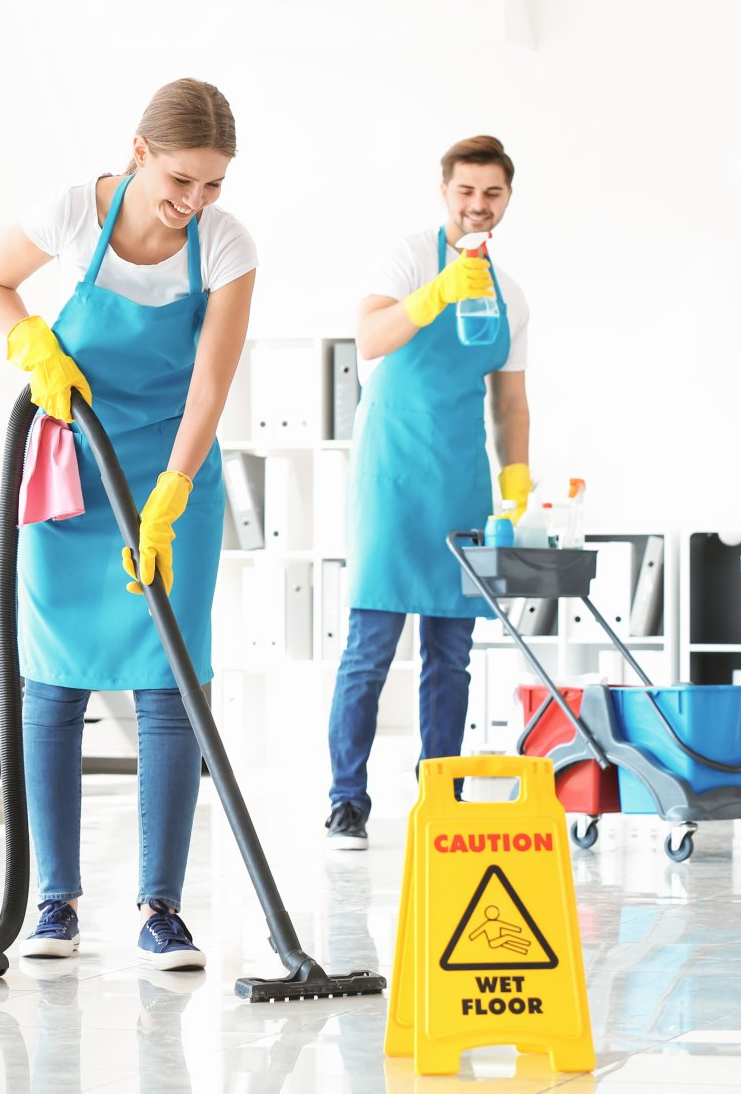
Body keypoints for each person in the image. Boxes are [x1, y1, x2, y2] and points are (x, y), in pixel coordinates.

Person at [0, 78, 257, 965]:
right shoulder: (70, 212)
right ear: (139, 153)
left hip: (172, 478)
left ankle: (160, 907)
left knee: (168, 683)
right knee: (52, 684)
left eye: (212, 185)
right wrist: (29, 341)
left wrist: (170, 496)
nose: (194, 202)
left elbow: (210, 384)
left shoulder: (226, 245)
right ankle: (53, 901)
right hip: (70, 473)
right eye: (181, 180)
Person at [323, 135, 532, 849]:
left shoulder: (514, 296)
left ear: (508, 200)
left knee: (452, 650)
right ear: (445, 191)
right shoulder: (407, 256)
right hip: (391, 472)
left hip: (459, 475)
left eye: (493, 194)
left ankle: (440, 790)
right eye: (467, 191)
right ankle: (346, 801)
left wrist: (515, 476)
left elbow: (509, 400)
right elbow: (372, 336)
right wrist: (437, 292)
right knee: (370, 647)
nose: (479, 206)